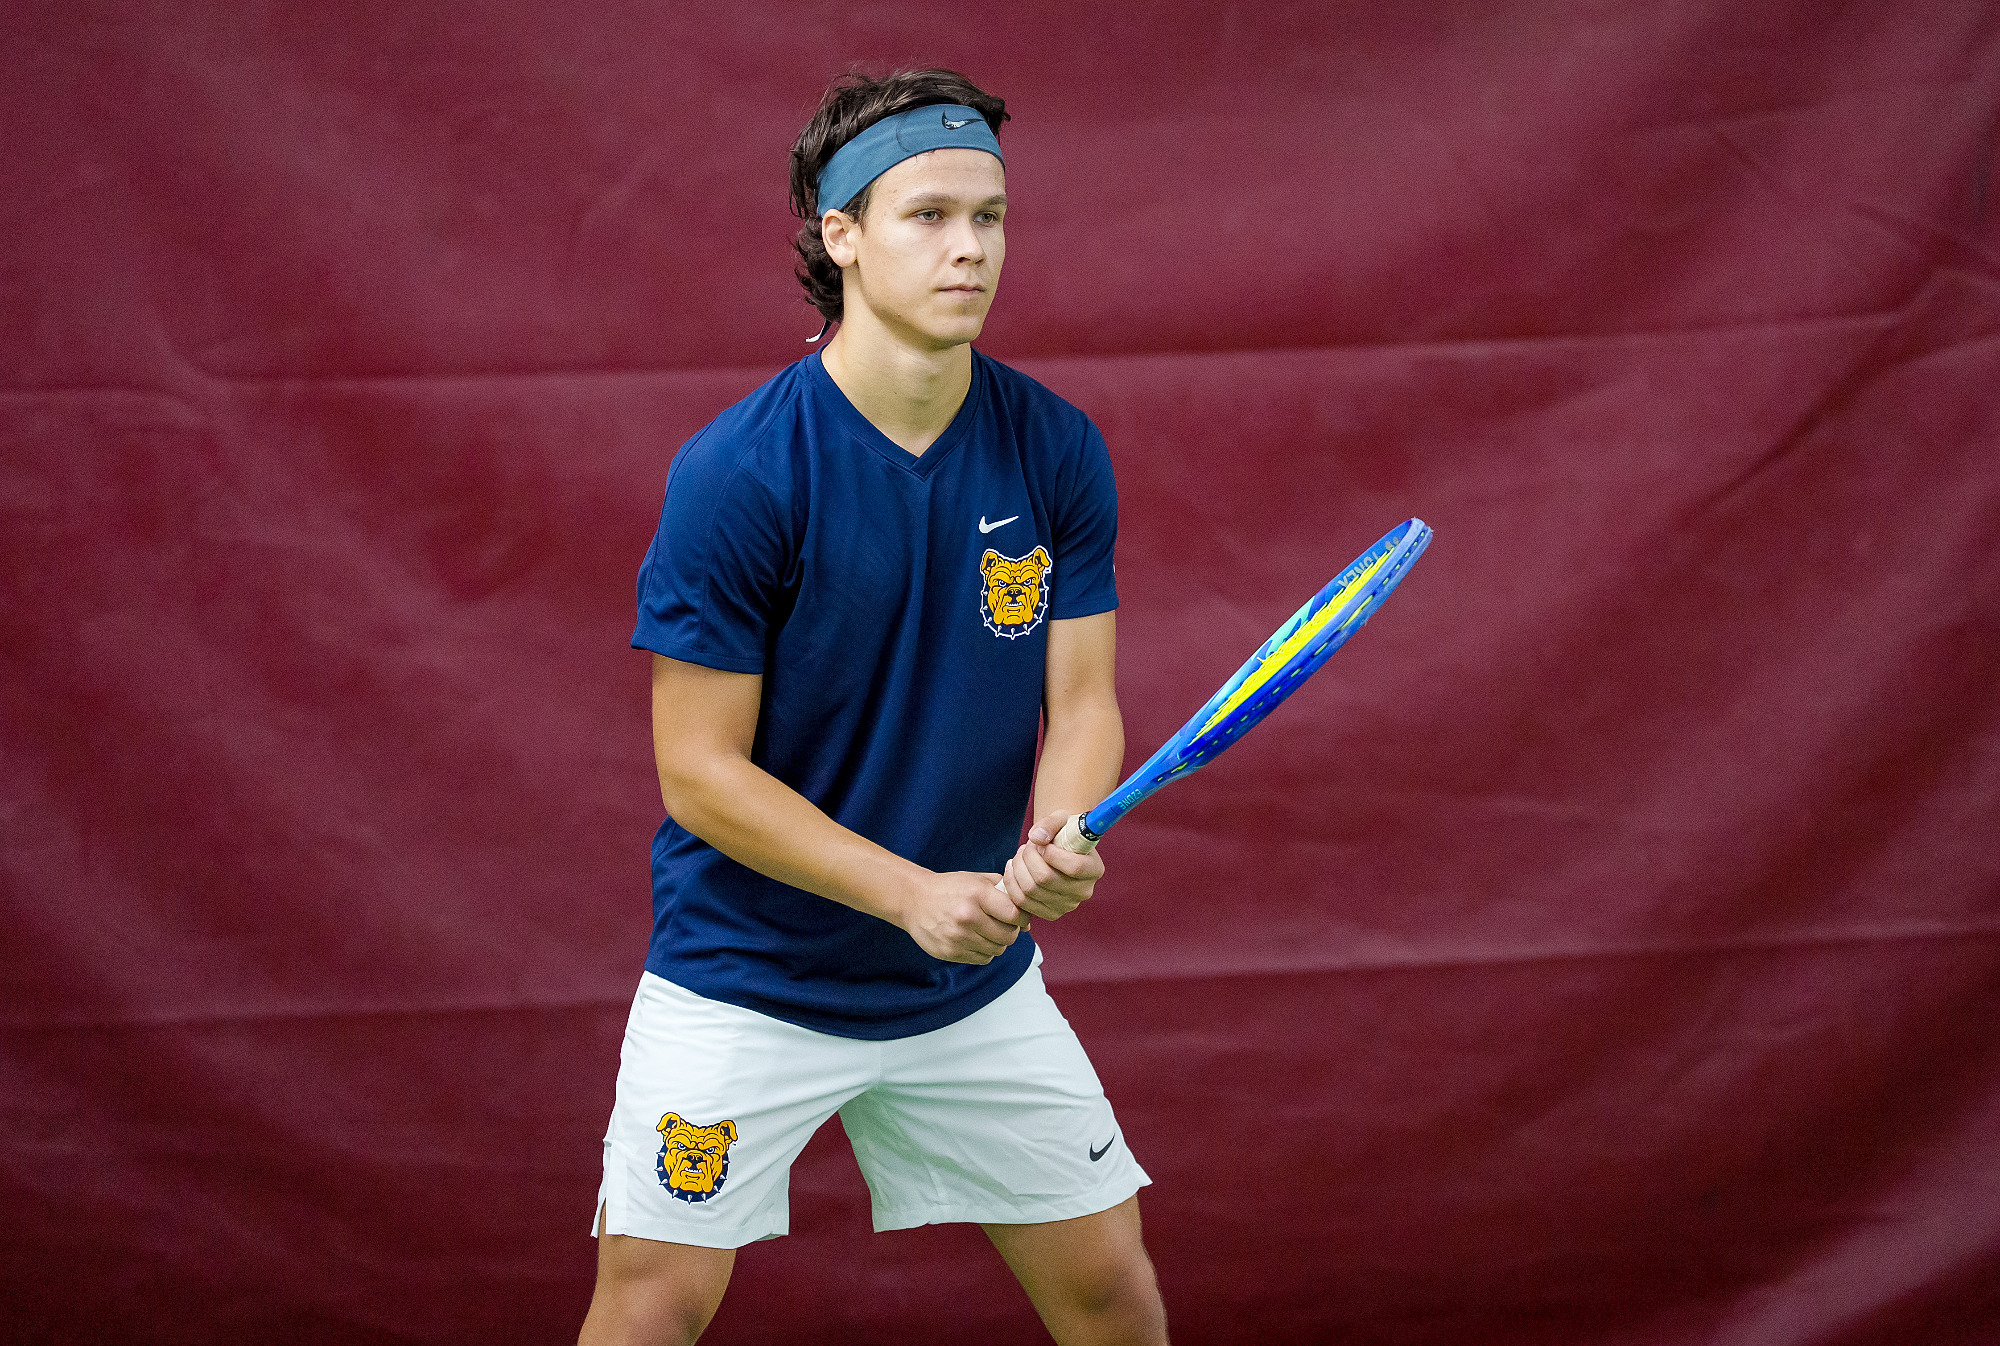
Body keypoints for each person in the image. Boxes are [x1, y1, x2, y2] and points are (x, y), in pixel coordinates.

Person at [579, 67, 1169, 1346]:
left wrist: (1058, 830)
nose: (969, 247)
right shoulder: (738, 473)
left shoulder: (1054, 447)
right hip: (747, 978)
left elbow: (1081, 701)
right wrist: (909, 891)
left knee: (1110, 1294)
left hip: (967, 981)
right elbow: (699, 774)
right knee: (652, 1302)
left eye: (991, 217)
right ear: (839, 237)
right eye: (928, 215)